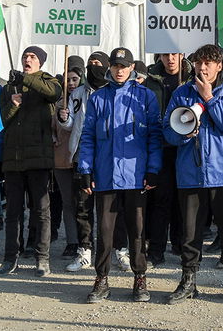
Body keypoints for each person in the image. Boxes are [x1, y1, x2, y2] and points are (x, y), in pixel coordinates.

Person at [163, 44, 223, 305]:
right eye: (199, 63)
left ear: (219, 66)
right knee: (190, 234)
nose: (203, 68)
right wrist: (183, 135)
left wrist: (209, 98)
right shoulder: (181, 93)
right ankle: (188, 281)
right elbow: (167, 131)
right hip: (191, 173)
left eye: (208, 63)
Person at [78, 47, 162, 304]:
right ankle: (101, 279)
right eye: (115, 66)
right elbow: (88, 136)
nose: (120, 70)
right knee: (104, 232)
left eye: (124, 66)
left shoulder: (145, 97)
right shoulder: (98, 98)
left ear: (132, 67)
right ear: (110, 68)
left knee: (137, 231)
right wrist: (85, 169)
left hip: (136, 176)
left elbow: (154, 136)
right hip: (105, 176)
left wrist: (153, 169)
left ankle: (140, 277)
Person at [0, 46, 61, 277]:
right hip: (13, 158)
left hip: (40, 158)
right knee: (12, 212)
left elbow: (52, 94)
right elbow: (1, 121)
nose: (27, 59)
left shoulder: (49, 80)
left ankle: (42, 258)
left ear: (40, 62)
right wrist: (12, 105)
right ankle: (10, 257)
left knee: (41, 211)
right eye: (24, 56)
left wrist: (25, 78)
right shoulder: (9, 87)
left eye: (32, 56)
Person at [143, 52, 193, 266]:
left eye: (174, 54)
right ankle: (156, 250)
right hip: (161, 147)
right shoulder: (150, 80)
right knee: (160, 202)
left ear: (182, 55)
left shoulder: (193, 79)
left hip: (187, 147)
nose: (170, 59)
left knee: (185, 201)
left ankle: (182, 246)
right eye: (165, 55)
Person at [55, 56, 94, 271]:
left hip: (95, 157)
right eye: (67, 79)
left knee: (101, 204)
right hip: (72, 156)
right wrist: (63, 118)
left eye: (75, 78)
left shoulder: (94, 92)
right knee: (79, 205)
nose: (71, 83)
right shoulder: (68, 97)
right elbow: (70, 125)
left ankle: (115, 247)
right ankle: (82, 246)